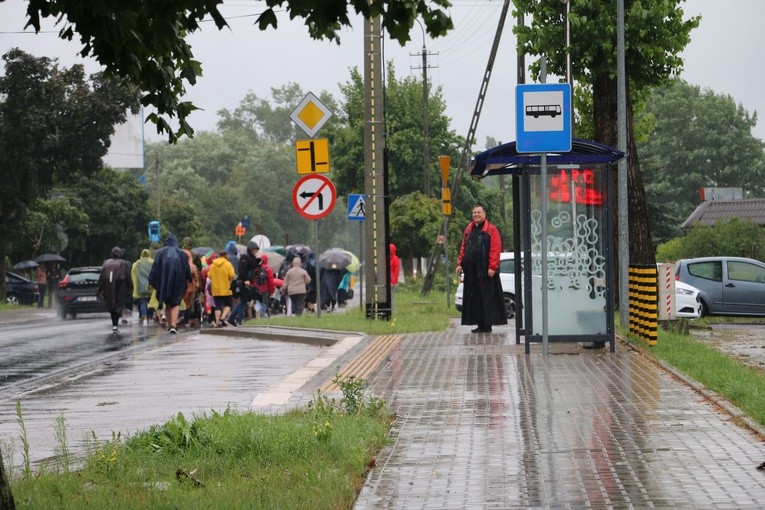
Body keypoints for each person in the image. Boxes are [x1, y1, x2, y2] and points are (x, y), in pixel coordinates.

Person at [455, 204, 507, 333]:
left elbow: (495, 249)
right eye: (474, 213)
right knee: (475, 298)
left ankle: (487, 325)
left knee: (487, 298)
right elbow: (463, 248)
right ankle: (479, 324)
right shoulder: (469, 230)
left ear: (484, 214)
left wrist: (492, 267)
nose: (476, 215)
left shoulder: (491, 230)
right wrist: (459, 264)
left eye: (478, 212)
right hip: (471, 271)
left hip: (486, 271)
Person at [148, 234, 192, 334]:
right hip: (178, 281)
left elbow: (154, 269)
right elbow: (186, 268)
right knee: (176, 302)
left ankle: (170, 325)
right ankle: (173, 325)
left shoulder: (160, 253)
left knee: (167, 303)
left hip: (163, 282)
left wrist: (152, 281)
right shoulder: (180, 253)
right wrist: (189, 279)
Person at [97, 246, 134, 333]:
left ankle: (114, 325)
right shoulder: (123, 263)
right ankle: (115, 325)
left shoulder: (106, 263)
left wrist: (99, 289)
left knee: (112, 306)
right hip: (120, 287)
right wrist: (131, 287)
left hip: (108, 288)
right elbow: (128, 277)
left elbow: (102, 277)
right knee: (118, 306)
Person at [229, 241, 260, 326]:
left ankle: (233, 318)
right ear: (250, 249)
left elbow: (252, 270)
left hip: (248, 281)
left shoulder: (252, 257)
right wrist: (245, 280)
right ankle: (238, 319)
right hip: (244, 282)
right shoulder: (245, 256)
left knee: (243, 301)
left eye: (256, 249)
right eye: (254, 249)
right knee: (243, 300)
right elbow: (242, 270)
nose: (255, 251)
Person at [208, 248, 236, 327]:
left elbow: (209, 275)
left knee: (218, 306)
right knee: (229, 304)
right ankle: (223, 317)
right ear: (226, 256)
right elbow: (232, 275)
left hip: (216, 289)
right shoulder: (228, 264)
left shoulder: (213, 265)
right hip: (226, 288)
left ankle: (217, 322)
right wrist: (229, 280)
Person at [131, 249, 154, 326]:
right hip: (151, 286)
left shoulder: (137, 263)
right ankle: (150, 316)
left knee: (143, 302)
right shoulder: (152, 262)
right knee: (151, 302)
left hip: (141, 287)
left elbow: (133, 273)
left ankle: (144, 317)